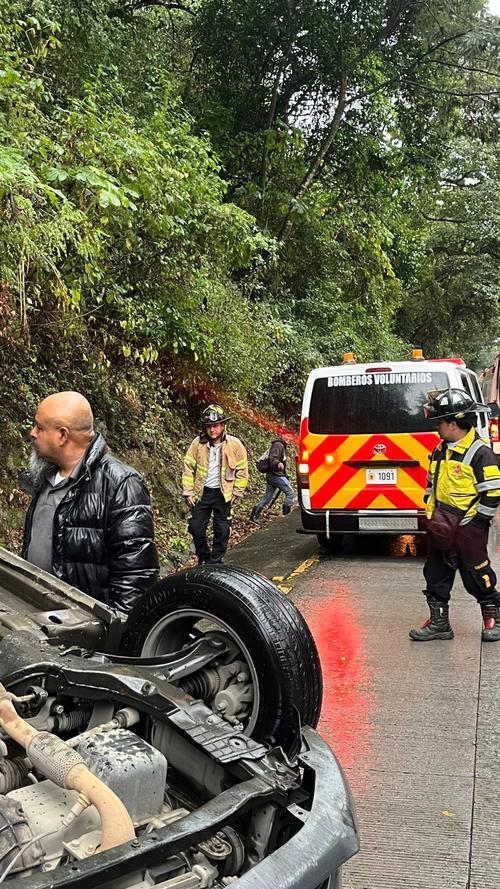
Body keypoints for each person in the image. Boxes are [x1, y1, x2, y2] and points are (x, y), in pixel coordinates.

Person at [22, 391, 159, 613]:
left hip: (82, 630)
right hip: (35, 615)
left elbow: (135, 578)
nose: (33, 433)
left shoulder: (121, 484)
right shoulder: (43, 476)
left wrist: (114, 638)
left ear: (62, 436)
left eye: (39, 427)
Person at [409, 388, 500, 642]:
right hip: (442, 525)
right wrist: (431, 510)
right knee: (436, 574)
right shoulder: (440, 450)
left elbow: (493, 493)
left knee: (476, 575)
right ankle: (439, 624)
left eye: (439, 421)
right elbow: (431, 483)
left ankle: (494, 617)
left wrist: (477, 524)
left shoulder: (481, 454)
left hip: (468, 528)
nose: (437, 426)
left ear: (453, 423)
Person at [182, 404, 248, 564]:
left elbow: (242, 469)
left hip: (223, 493)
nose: (212, 430)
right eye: (209, 427)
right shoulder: (197, 444)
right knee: (196, 527)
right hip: (202, 493)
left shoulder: (234, 444)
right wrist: (188, 491)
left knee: (222, 529)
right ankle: (203, 557)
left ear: (223, 425)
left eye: (215, 426)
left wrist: (237, 491)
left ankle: (215, 561)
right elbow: (188, 467)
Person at [250, 437, 294, 523]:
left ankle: (254, 517)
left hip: (272, 475)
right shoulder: (278, 445)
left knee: (267, 497)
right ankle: (286, 517)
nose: (289, 439)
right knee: (290, 493)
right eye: (288, 437)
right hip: (276, 475)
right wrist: (278, 463)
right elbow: (272, 458)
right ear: (283, 438)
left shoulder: (281, 445)